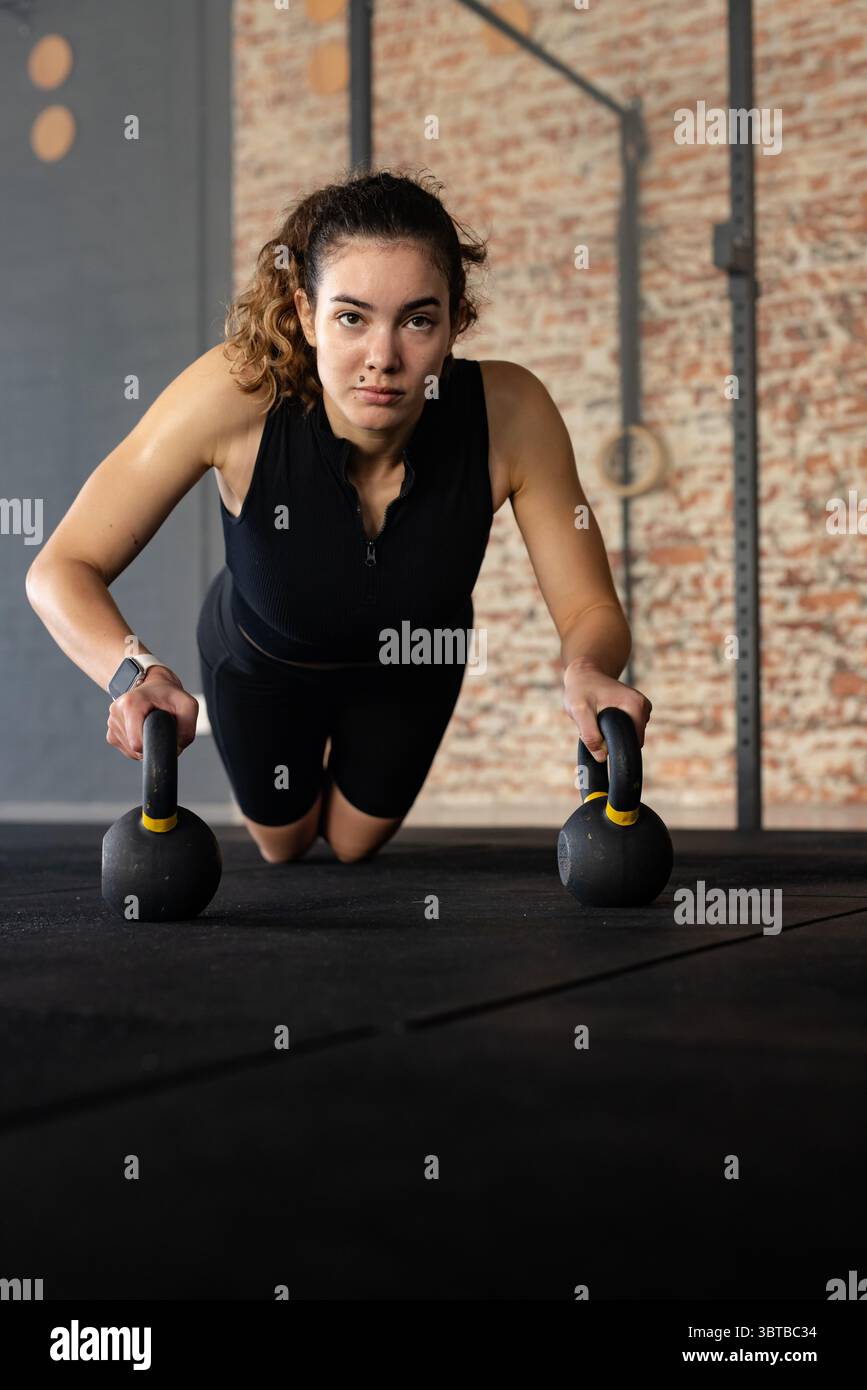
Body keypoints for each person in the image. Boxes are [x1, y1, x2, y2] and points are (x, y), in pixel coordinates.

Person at [25, 168, 651, 865]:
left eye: (417, 320)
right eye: (351, 317)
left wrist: (588, 666)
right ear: (304, 313)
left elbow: (589, 605)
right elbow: (60, 569)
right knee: (284, 845)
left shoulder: (510, 413)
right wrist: (135, 673)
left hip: (411, 665)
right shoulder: (236, 395)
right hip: (263, 660)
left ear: (456, 322)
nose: (382, 359)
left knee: (353, 848)